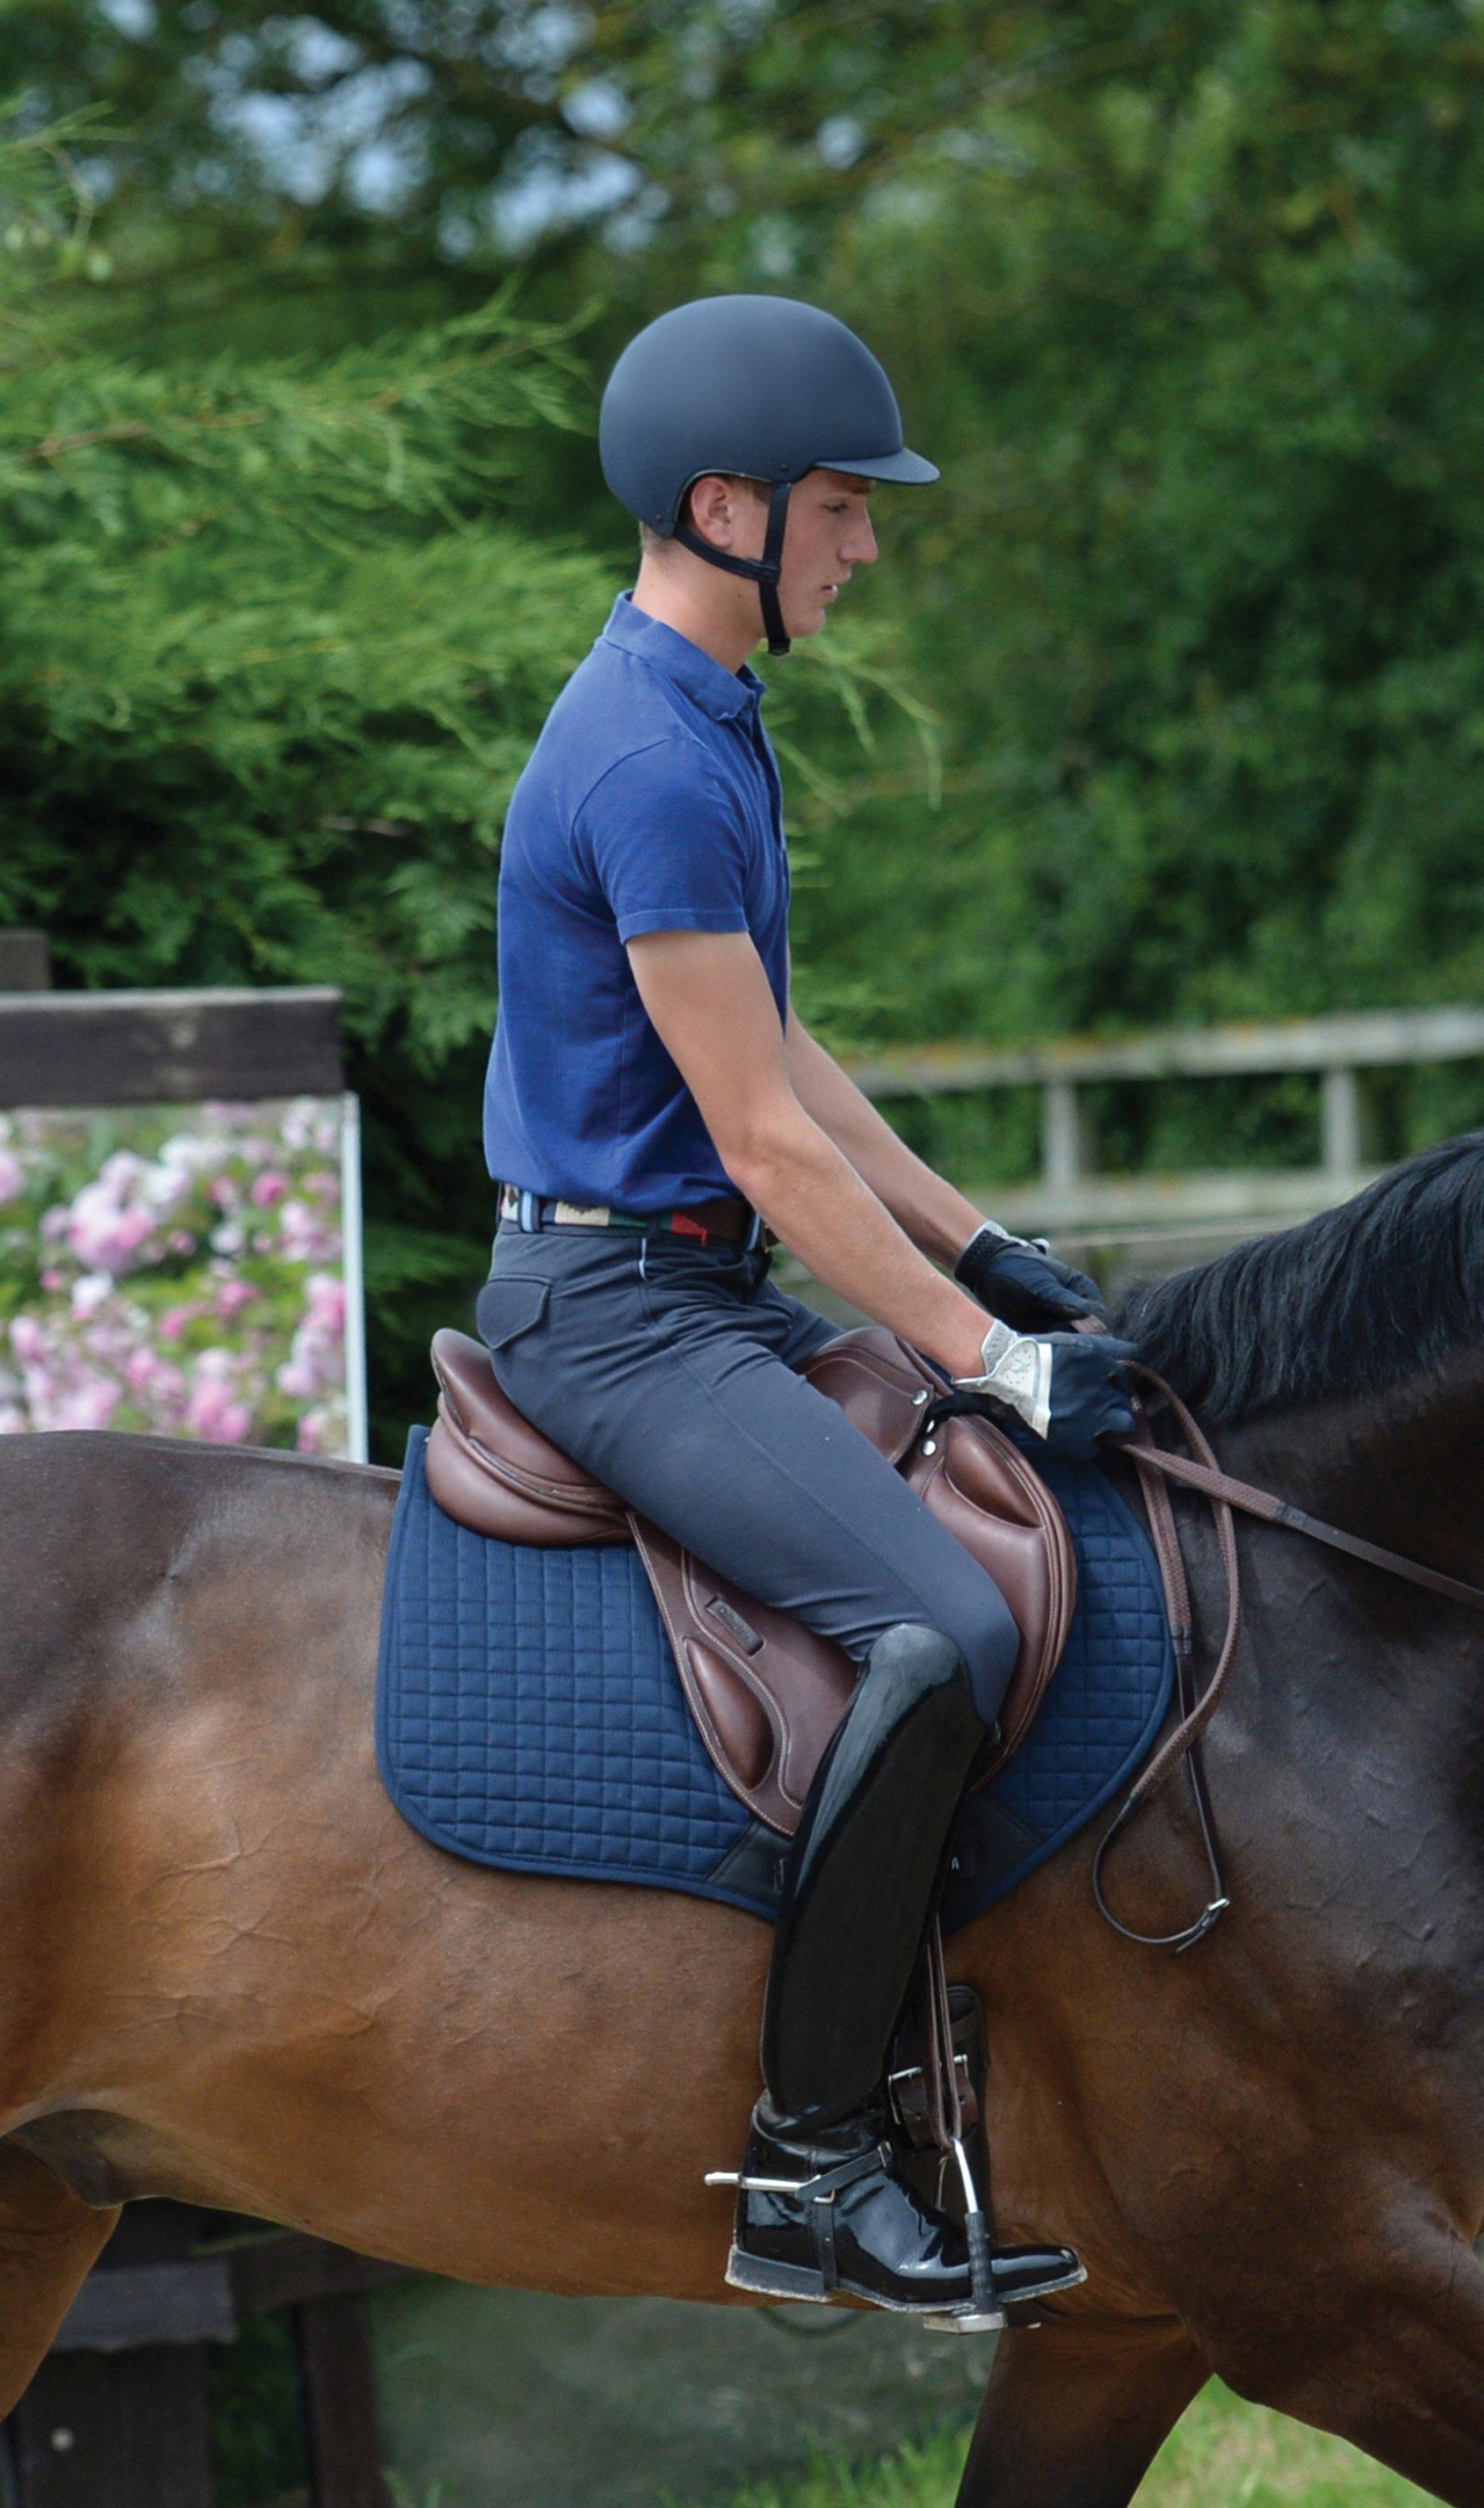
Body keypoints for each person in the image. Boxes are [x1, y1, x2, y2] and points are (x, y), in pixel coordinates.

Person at [478, 291, 1138, 2316]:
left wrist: (978, 1243)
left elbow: (784, 1056)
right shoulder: (644, 760)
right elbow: (761, 1142)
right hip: (610, 1315)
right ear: (722, 507)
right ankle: (806, 2165)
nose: (866, 545)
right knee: (929, 1630)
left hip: (697, 1291)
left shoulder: (703, 716)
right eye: (843, 509)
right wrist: (988, 1360)